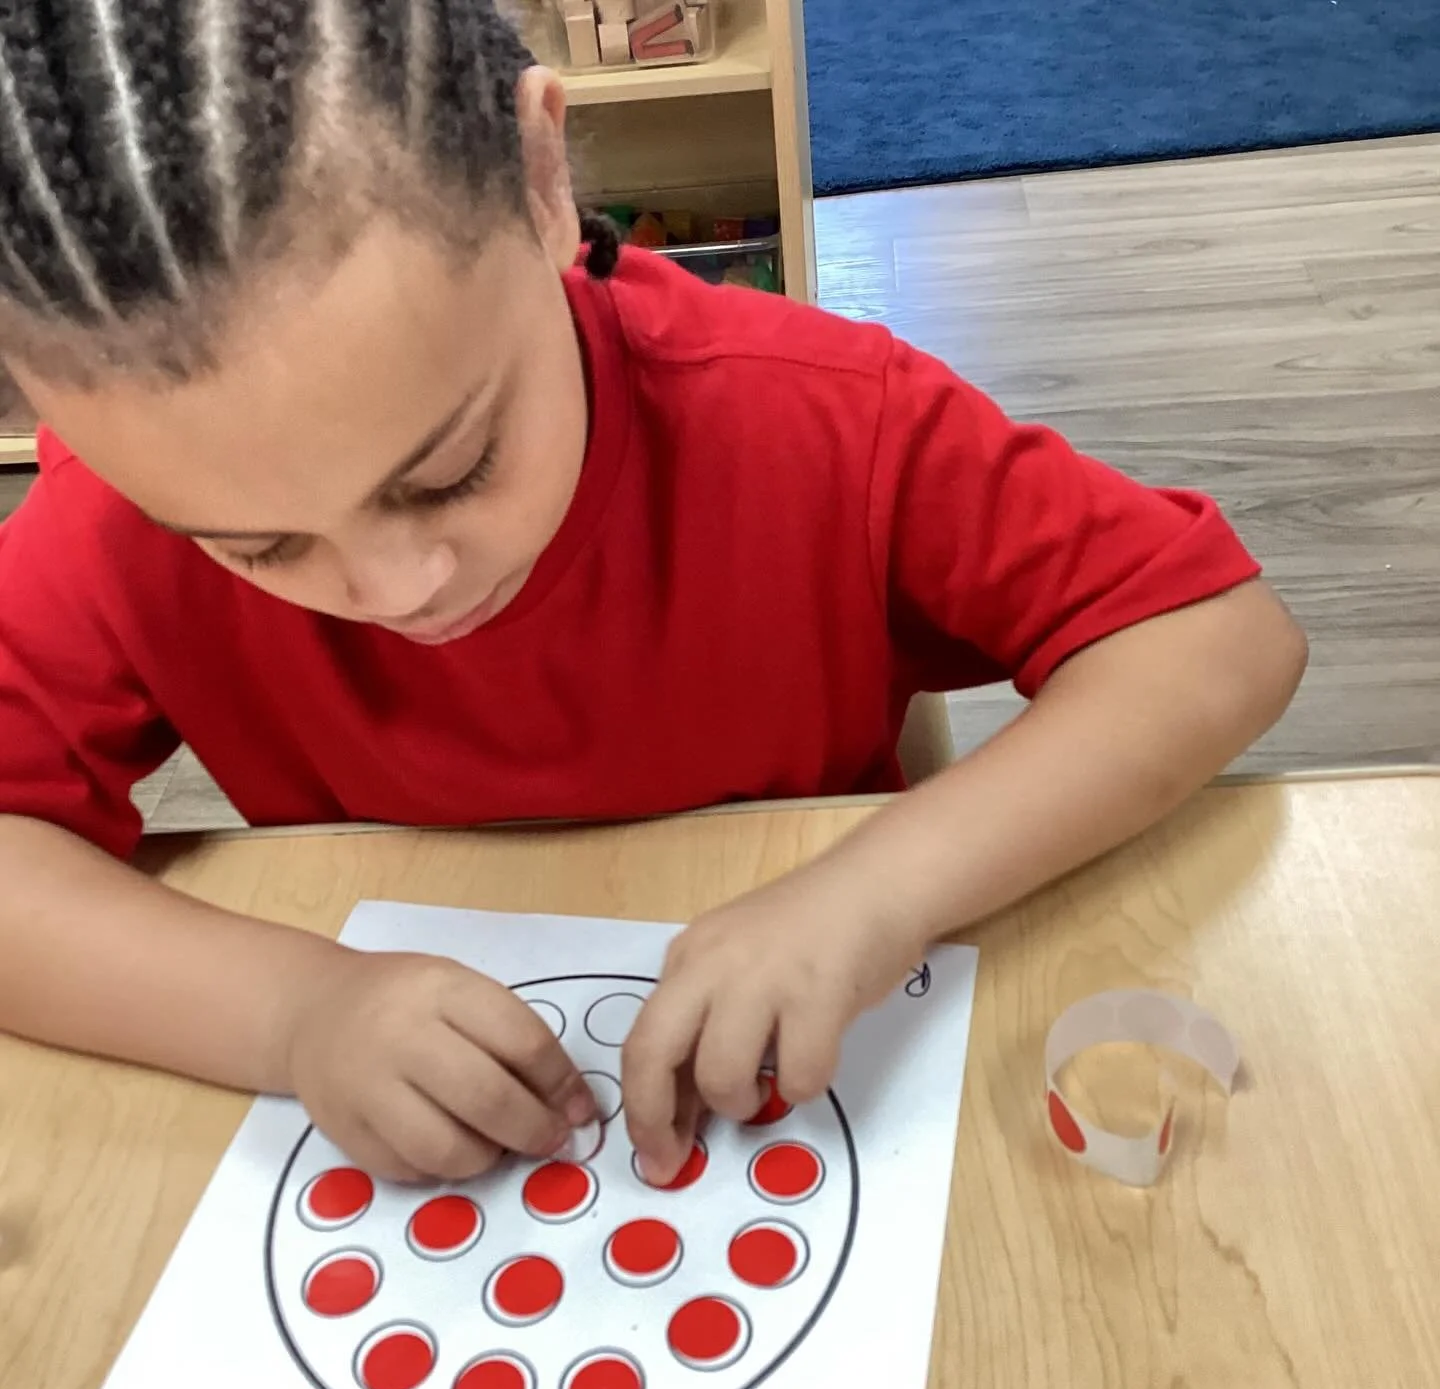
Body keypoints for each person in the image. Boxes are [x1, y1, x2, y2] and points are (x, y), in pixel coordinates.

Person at [0, 1, 1305, 1191]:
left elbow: (1221, 639)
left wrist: (875, 892)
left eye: (452, 469)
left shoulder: (817, 424)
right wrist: (292, 1012)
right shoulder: (117, 525)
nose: (398, 589)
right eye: (262, 547)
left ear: (539, 179)